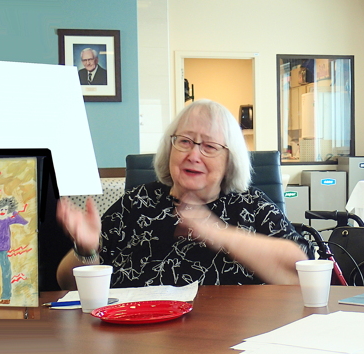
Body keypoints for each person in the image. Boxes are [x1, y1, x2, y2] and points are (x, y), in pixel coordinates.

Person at [56, 100, 309, 290]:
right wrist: (86, 250)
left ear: (230, 160)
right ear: (170, 148)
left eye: (209, 146)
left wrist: (219, 233)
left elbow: (301, 273)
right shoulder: (135, 203)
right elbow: (67, 283)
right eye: (185, 141)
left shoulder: (253, 206)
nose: (194, 155)